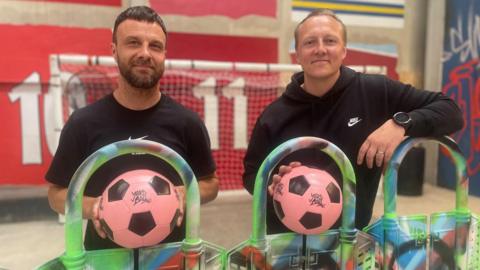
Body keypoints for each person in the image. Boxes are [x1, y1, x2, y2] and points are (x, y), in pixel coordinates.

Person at [242, 9, 463, 234]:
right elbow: (251, 175)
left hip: (350, 242)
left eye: (330, 40)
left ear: (343, 50)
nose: (320, 49)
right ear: (297, 54)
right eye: (309, 42)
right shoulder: (274, 115)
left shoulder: (375, 91)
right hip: (285, 245)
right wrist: (270, 182)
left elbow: (451, 111)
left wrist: (401, 124)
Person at [46, 6, 219, 250]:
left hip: (170, 258)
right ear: (114, 51)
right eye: (133, 43)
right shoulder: (83, 123)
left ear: (164, 55)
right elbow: (56, 194)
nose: (145, 54)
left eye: (155, 46)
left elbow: (210, 184)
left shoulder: (187, 122)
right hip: (105, 260)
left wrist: (185, 193)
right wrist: (95, 207)